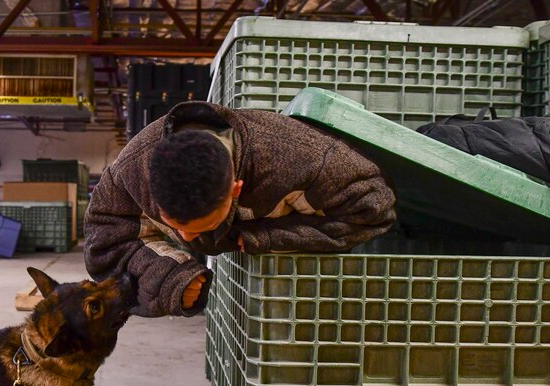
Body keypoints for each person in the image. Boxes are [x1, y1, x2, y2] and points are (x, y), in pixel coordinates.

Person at [84, 101, 396, 317]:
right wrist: (168, 280)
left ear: (236, 190)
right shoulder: (132, 168)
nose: (186, 236)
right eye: (174, 224)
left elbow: (375, 210)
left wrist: (269, 238)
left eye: (201, 224)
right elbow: (104, 243)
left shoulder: (306, 160)